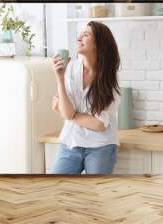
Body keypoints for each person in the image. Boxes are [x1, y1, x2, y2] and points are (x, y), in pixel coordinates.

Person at [51, 21, 121, 174]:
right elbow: (68, 113)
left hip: (101, 145)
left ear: (99, 44)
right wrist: (60, 78)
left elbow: (99, 124)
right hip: (71, 142)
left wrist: (69, 114)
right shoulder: (70, 69)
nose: (79, 38)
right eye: (80, 34)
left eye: (86, 35)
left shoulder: (110, 78)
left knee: (96, 193)